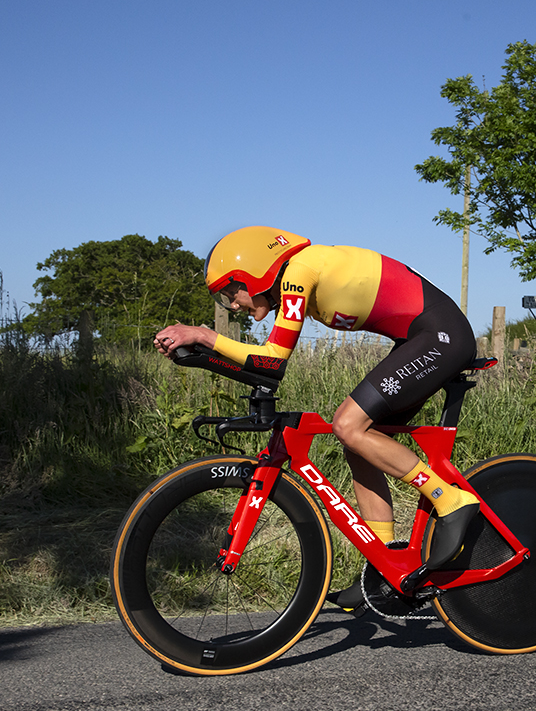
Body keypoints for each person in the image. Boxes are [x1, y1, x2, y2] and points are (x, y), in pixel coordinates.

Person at [153, 226, 479, 611]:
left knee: (347, 425)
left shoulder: (299, 272)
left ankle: (451, 500)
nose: (233, 305)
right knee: (360, 443)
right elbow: (264, 365)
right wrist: (201, 355)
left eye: (230, 292)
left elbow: (272, 361)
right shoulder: (298, 276)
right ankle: (385, 563)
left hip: (442, 336)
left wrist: (206, 337)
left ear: (254, 273)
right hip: (419, 337)